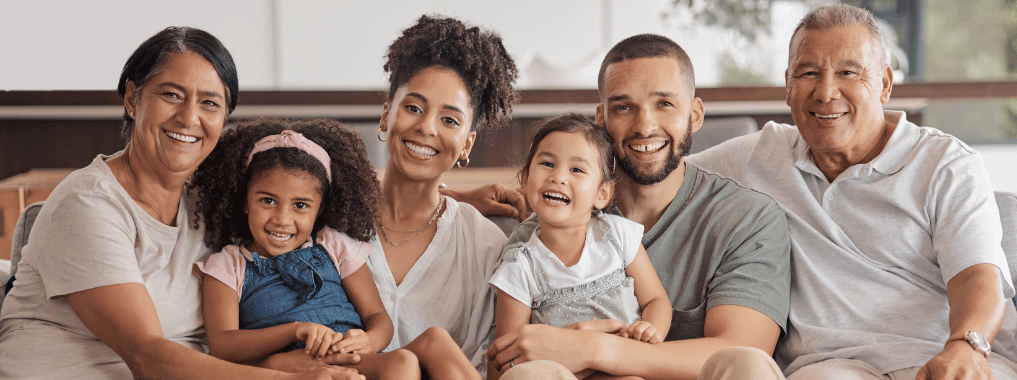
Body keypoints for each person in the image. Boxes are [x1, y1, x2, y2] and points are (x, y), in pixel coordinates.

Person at [0, 27, 360, 379]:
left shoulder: (210, 204)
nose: (189, 117)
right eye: (171, 95)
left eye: (210, 103)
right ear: (133, 98)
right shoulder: (88, 205)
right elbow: (147, 357)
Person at [686, 4, 1017, 379]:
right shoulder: (757, 156)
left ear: (883, 84)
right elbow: (658, 178)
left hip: (943, 358)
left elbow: (977, 277)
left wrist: (966, 347)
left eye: (848, 72)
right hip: (831, 368)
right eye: (808, 73)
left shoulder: (945, 162)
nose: (826, 91)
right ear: (788, 86)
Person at [474, 34, 792, 380]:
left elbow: (741, 351)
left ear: (695, 114)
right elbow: (505, 358)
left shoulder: (747, 220)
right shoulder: (545, 231)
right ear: (602, 118)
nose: (644, 127)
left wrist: (593, 349)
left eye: (664, 104)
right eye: (624, 107)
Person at [191, 118, 487, 379]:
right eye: (267, 200)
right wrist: (296, 330)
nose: (282, 219)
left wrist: (369, 341)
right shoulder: (228, 265)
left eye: (300, 206)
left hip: (352, 357)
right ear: (245, 201)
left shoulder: (333, 245)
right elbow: (222, 345)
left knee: (419, 349)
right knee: (402, 363)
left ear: (319, 211)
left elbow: (378, 318)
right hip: (289, 367)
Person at [366, 14, 519, 379]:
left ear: (467, 143)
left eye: (449, 120)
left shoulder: (484, 245)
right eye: (413, 108)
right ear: (387, 115)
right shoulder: (328, 216)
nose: (426, 127)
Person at [488, 114, 673, 379]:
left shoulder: (616, 236)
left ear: (602, 194)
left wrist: (649, 330)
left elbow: (656, 299)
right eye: (547, 164)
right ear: (525, 179)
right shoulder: (520, 265)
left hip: (624, 368)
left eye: (576, 170)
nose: (558, 177)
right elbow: (506, 356)